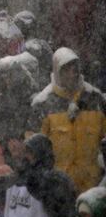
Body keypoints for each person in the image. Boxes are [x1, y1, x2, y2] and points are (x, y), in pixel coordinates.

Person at [30, 48, 106, 192]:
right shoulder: (43, 104)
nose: (73, 74)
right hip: (58, 192)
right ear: (57, 72)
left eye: (75, 68)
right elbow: (34, 153)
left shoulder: (95, 99)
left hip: (93, 189)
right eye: (66, 69)